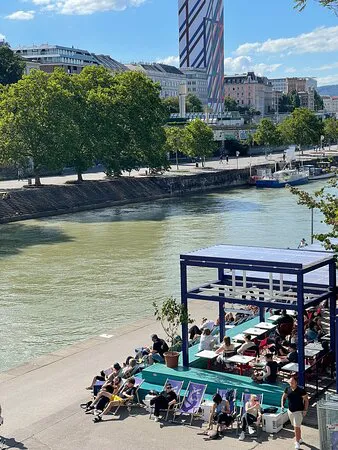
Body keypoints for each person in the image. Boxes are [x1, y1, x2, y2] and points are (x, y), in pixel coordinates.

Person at [281, 376, 309, 449]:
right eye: (290, 382)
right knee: (296, 427)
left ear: (296, 382)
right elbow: (283, 397)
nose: (290, 383)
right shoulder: (287, 389)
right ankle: (299, 439)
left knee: (296, 427)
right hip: (290, 411)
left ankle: (296, 442)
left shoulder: (301, 390)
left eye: (292, 382)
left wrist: (305, 410)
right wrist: (282, 405)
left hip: (298, 411)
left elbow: (306, 400)